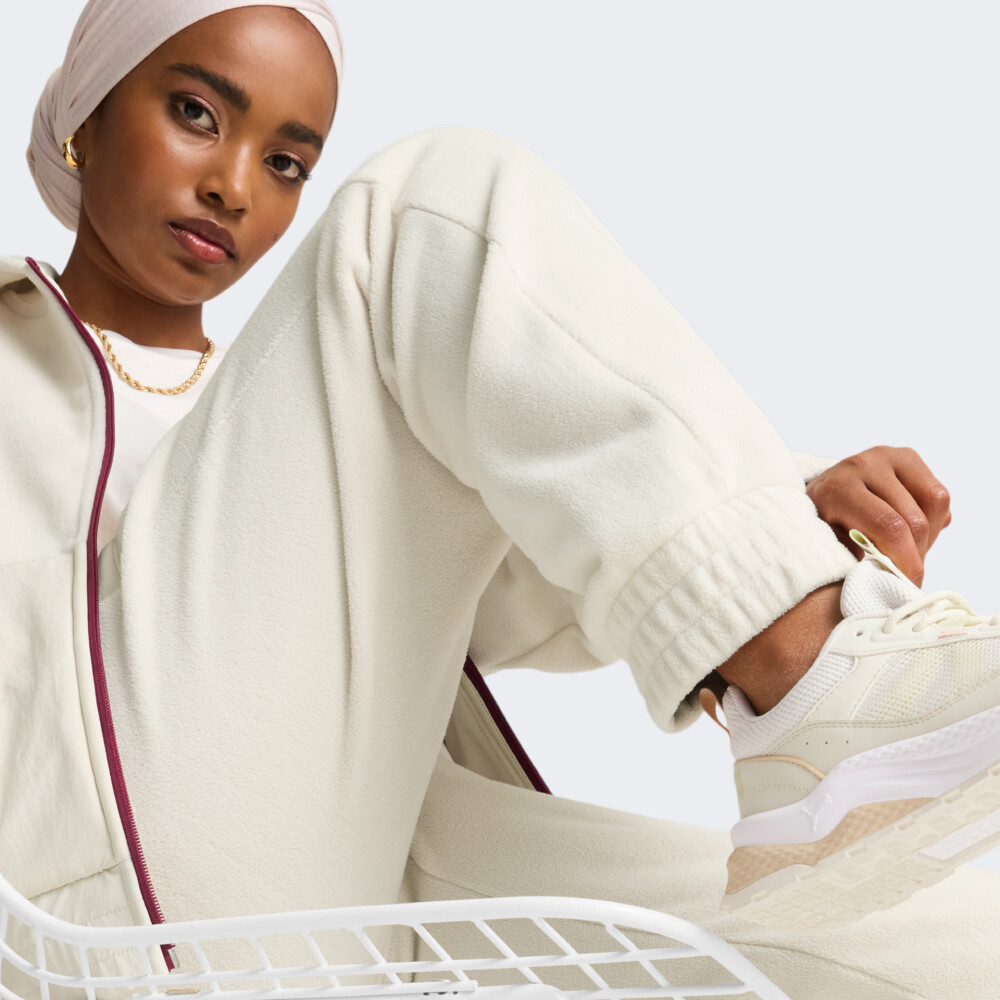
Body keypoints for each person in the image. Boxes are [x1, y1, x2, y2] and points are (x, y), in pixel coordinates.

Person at [2, 1, 999, 997]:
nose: (232, 185)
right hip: (99, 898)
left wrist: (792, 514)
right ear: (88, 111)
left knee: (947, 936)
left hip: (349, 902)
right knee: (423, 210)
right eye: (195, 113)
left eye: (286, 163)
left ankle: (800, 665)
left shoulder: (327, 403)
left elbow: (498, 592)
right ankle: (812, 680)